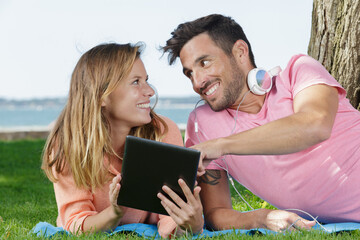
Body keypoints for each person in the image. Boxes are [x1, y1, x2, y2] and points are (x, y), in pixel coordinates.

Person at [161, 14, 360, 232]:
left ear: (239, 52)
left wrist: (221, 145)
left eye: (205, 62)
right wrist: (263, 217)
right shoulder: (203, 124)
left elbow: (314, 125)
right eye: (189, 73)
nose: (198, 82)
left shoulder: (299, 71)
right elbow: (215, 214)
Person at [41, 43, 204, 238]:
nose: (150, 91)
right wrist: (115, 212)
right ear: (101, 95)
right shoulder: (68, 145)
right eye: (136, 82)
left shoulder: (163, 131)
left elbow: (172, 219)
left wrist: (191, 225)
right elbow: (76, 224)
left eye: (146, 80)